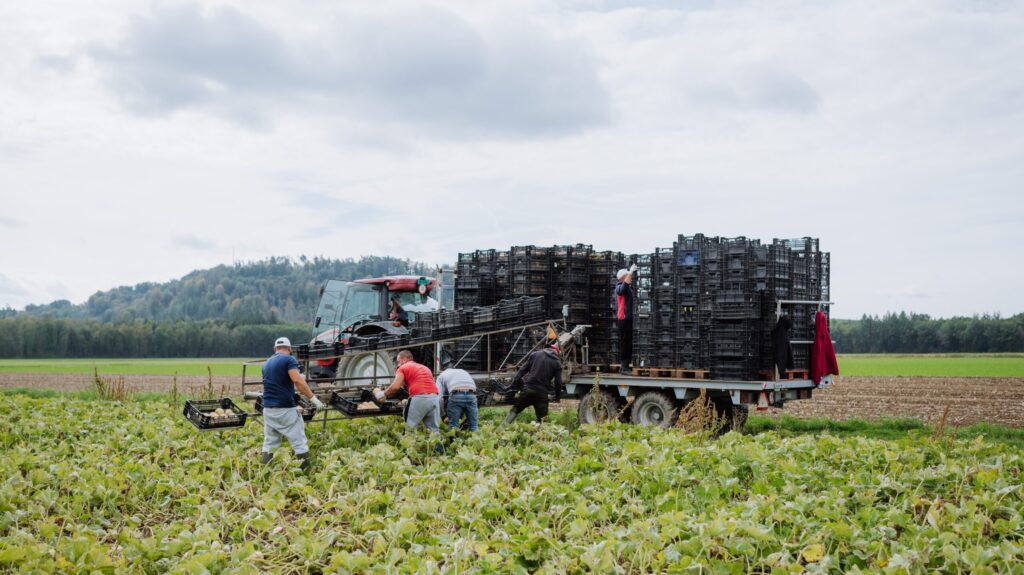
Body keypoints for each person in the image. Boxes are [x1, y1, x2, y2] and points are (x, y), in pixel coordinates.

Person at [261, 337, 325, 470]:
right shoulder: (289, 359)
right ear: (289, 349)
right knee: (299, 442)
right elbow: (297, 381)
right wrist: (314, 399)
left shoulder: (266, 363)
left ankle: (264, 473)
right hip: (285, 408)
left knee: (270, 443)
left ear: (275, 349)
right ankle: (305, 473)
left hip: (268, 409)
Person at [378, 350, 440, 434]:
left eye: (398, 362)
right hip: (434, 398)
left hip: (419, 397)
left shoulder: (403, 368)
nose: (398, 364)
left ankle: (410, 445)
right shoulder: (425, 368)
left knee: (410, 428)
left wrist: (383, 393)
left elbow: (396, 386)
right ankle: (439, 447)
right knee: (434, 431)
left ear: (404, 359)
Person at [502, 343, 563, 425]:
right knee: (543, 418)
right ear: (557, 352)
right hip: (542, 394)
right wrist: (557, 397)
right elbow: (558, 382)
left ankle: (502, 428)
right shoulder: (557, 362)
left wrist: (514, 385)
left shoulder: (535, 354)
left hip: (528, 390)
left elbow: (522, 370)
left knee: (515, 409)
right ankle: (543, 435)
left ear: (546, 348)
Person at [436, 367, 478, 432]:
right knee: (473, 426)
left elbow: (439, 398)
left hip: (456, 394)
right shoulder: (462, 371)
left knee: (453, 427)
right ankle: (475, 440)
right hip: (472, 395)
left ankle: (454, 441)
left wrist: (443, 415)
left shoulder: (440, 377)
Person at [615, 264, 638, 374]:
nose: (631, 278)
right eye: (628, 276)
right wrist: (630, 272)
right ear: (623, 277)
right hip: (623, 318)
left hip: (627, 318)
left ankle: (626, 365)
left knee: (628, 342)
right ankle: (624, 367)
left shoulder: (626, 287)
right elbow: (623, 288)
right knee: (625, 343)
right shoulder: (619, 286)